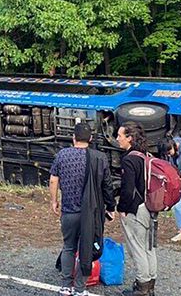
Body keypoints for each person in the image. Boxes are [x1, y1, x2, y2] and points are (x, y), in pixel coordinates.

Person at [49, 122, 116, 296]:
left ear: (73, 138)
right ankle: (80, 288)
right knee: (87, 248)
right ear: (91, 139)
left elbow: (53, 180)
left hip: (69, 211)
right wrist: (111, 207)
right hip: (92, 213)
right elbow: (107, 185)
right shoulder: (99, 158)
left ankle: (65, 286)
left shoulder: (62, 155)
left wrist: (54, 201)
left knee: (69, 247)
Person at [116, 122, 157, 296]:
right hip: (150, 207)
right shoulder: (145, 155)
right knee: (149, 247)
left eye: (120, 136)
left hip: (136, 209)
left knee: (137, 247)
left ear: (129, 138)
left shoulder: (129, 159)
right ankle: (150, 284)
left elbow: (127, 188)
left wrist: (122, 208)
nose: (117, 139)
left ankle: (142, 287)